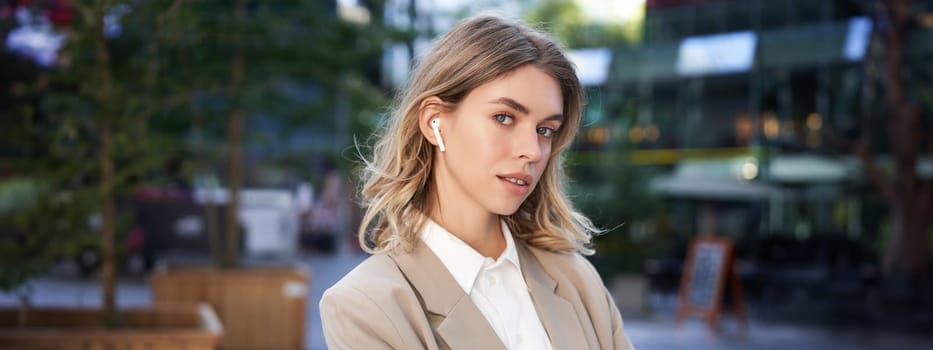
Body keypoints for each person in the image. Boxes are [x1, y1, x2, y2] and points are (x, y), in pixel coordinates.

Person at [320, 15, 635, 350]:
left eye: (545, 130)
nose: (532, 151)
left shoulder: (578, 282)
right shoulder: (365, 305)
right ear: (434, 122)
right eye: (504, 118)